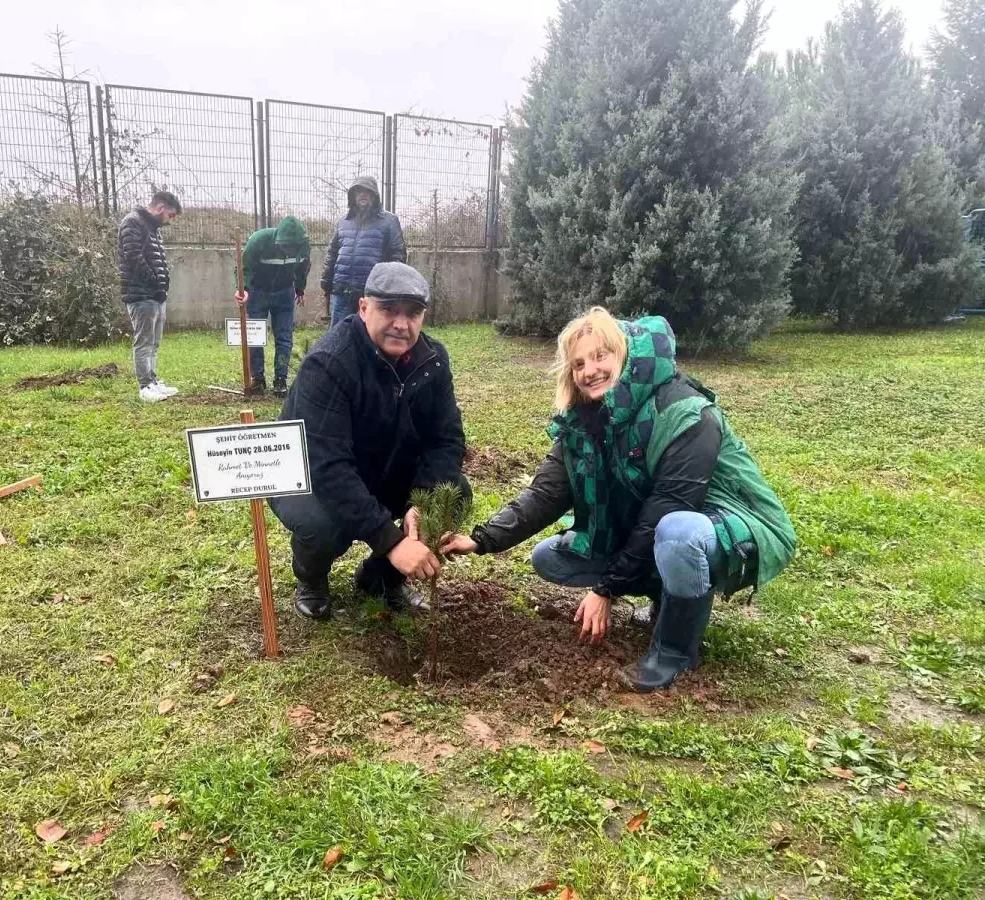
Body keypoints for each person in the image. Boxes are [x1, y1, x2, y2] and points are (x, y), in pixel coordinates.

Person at [441, 308, 796, 692]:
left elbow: (670, 505)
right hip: (655, 528)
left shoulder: (683, 411)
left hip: (729, 522)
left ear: (623, 354)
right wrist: (482, 539)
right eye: (578, 364)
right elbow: (545, 493)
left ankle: (675, 651)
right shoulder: (584, 422)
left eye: (599, 356)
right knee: (550, 557)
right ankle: (662, 594)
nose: (588, 370)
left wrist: (606, 588)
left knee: (678, 533)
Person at [270, 261, 469, 621]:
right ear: (363, 308)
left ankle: (380, 579)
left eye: (413, 313)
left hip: (382, 467)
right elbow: (327, 466)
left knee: (451, 494)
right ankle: (312, 579)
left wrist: (422, 500)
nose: (401, 324)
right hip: (310, 477)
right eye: (388, 310)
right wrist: (390, 540)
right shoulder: (330, 362)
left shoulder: (433, 360)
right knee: (320, 524)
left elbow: (447, 438)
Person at [234, 216, 310, 396]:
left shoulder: (303, 246)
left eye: (293, 247)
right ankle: (258, 379)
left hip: (284, 292)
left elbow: (303, 267)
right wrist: (243, 289)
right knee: (255, 335)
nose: (289, 250)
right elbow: (244, 267)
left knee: (284, 337)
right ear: (278, 239)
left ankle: (280, 379)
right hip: (258, 292)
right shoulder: (259, 240)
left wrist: (300, 289)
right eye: (286, 246)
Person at [118, 191, 182, 402]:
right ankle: (144, 387)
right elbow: (133, 257)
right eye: (171, 215)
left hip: (155, 295)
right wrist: (155, 282)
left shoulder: (153, 228)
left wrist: (163, 285)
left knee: (154, 342)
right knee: (144, 341)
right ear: (161, 207)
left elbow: (157, 260)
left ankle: (153, 381)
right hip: (141, 294)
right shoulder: (133, 222)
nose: (171, 221)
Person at [320, 176, 406, 326]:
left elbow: (398, 255)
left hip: (371, 293)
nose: (363, 194)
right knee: (338, 339)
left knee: (369, 339)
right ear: (353, 195)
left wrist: (385, 286)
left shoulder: (389, 221)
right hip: (341, 291)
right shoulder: (343, 222)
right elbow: (332, 253)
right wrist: (326, 282)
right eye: (359, 191)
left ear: (375, 195)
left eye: (367, 191)